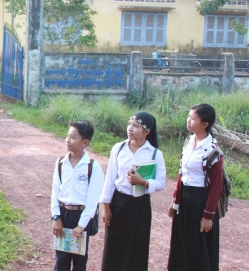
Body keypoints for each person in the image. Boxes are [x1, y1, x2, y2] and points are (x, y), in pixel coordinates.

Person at [99, 111, 166, 271]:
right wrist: (106, 207)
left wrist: (143, 182)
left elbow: (161, 183)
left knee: (137, 247)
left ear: (147, 131)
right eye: (129, 124)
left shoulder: (155, 153)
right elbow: (109, 179)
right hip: (118, 203)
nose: (130, 128)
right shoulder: (119, 148)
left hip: (140, 206)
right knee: (114, 246)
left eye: (135, 126)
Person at [168, 103, 221, 271]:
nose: (188, 121)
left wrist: (208, 216)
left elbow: (216, 186)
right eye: (188, 117)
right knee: (182, 243)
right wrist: (175, 202)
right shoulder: (189, 142)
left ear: (204, 124)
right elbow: (181, 174)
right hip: (185, 199)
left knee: (198, 247)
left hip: (201, 201)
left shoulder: (212, 150)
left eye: (193, 118)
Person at [51, 120, 104, 271]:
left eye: (73, 137)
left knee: (79, 261)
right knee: (61, 259)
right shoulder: (61, 162)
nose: (67, 140)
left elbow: (93, 200)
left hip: (81, 216)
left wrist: (82, 225)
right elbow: (55, 191)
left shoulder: (92, 167)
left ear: (85, 142)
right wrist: (56, 217)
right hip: (63, 214)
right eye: (67, 136)